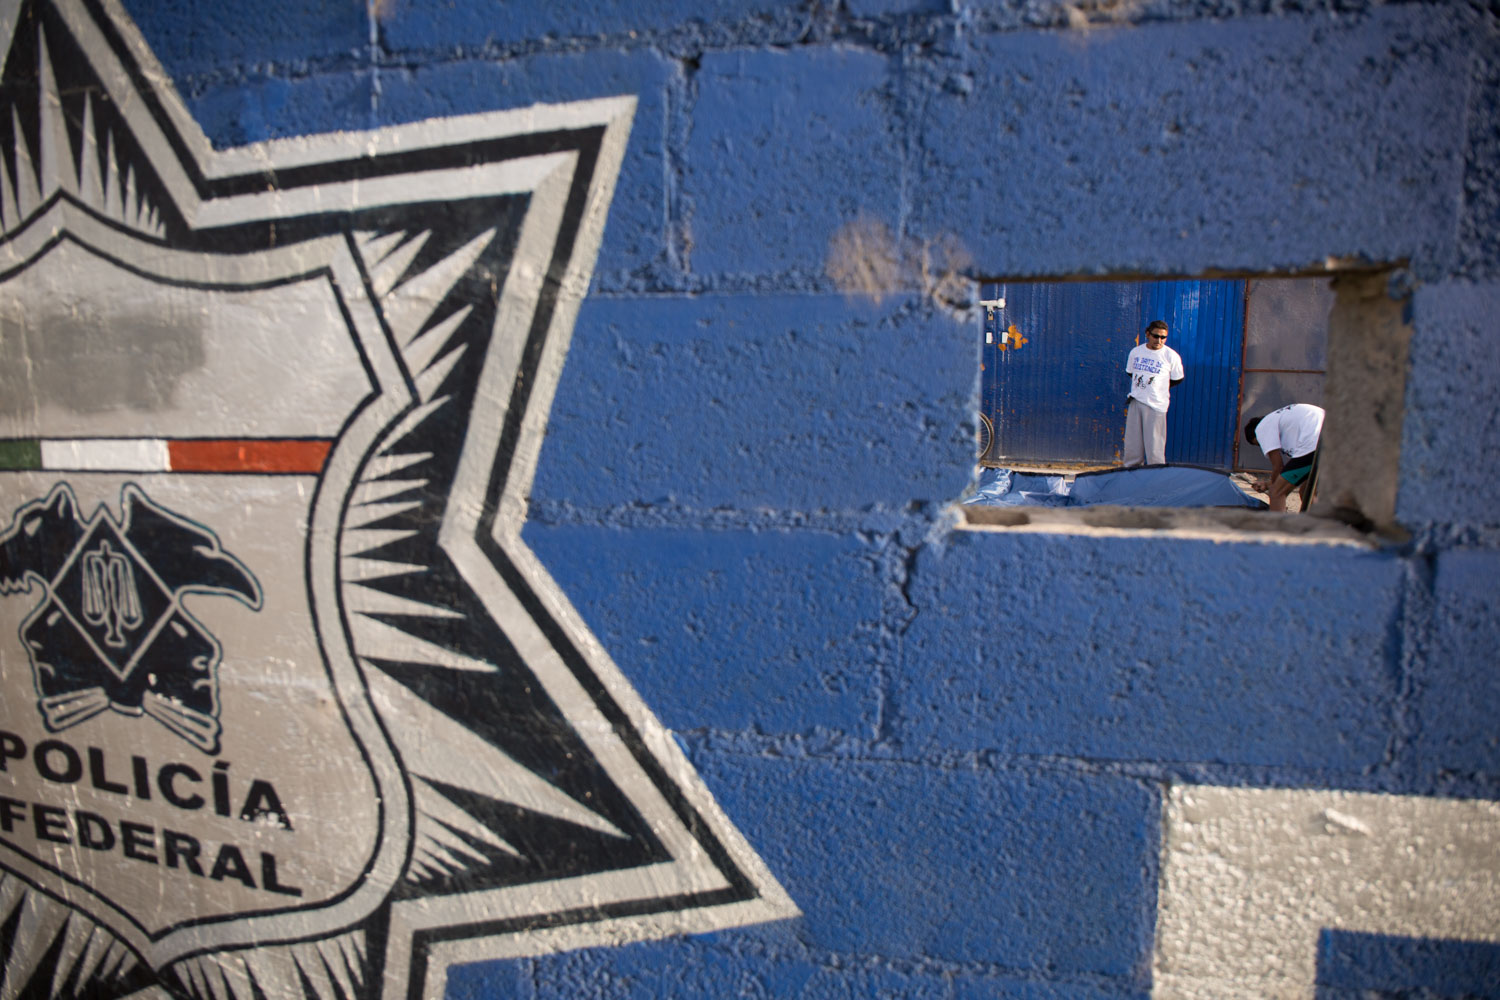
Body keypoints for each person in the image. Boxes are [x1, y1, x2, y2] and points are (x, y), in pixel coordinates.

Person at [1122, 320, 1185, 467]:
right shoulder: (1136, 352)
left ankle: (1155, 477)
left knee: (1155, 446)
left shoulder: (1170, 356)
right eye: (1156, 336)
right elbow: (1130, 372)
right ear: (1147, 334)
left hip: (1156, 405)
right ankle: (1131, 474)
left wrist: (1158, 388)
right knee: (1133, 445)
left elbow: (1177, 379)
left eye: (1163, 337)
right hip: (1136, 400)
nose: (1159, 340)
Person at [1244, 403, 1324, 512]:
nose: (1264, 447)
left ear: (1256, 435)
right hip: (1332, 440)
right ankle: (1318, 524)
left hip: (1312, 445)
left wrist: (1274, 488)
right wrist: (1267, 484)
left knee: (1276, 492)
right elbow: (1292, 475)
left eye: (1259, 444)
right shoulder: (1282, 420)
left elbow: (1278, 466)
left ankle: (1277, 528)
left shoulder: (1262, 427)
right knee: (1307, 491)